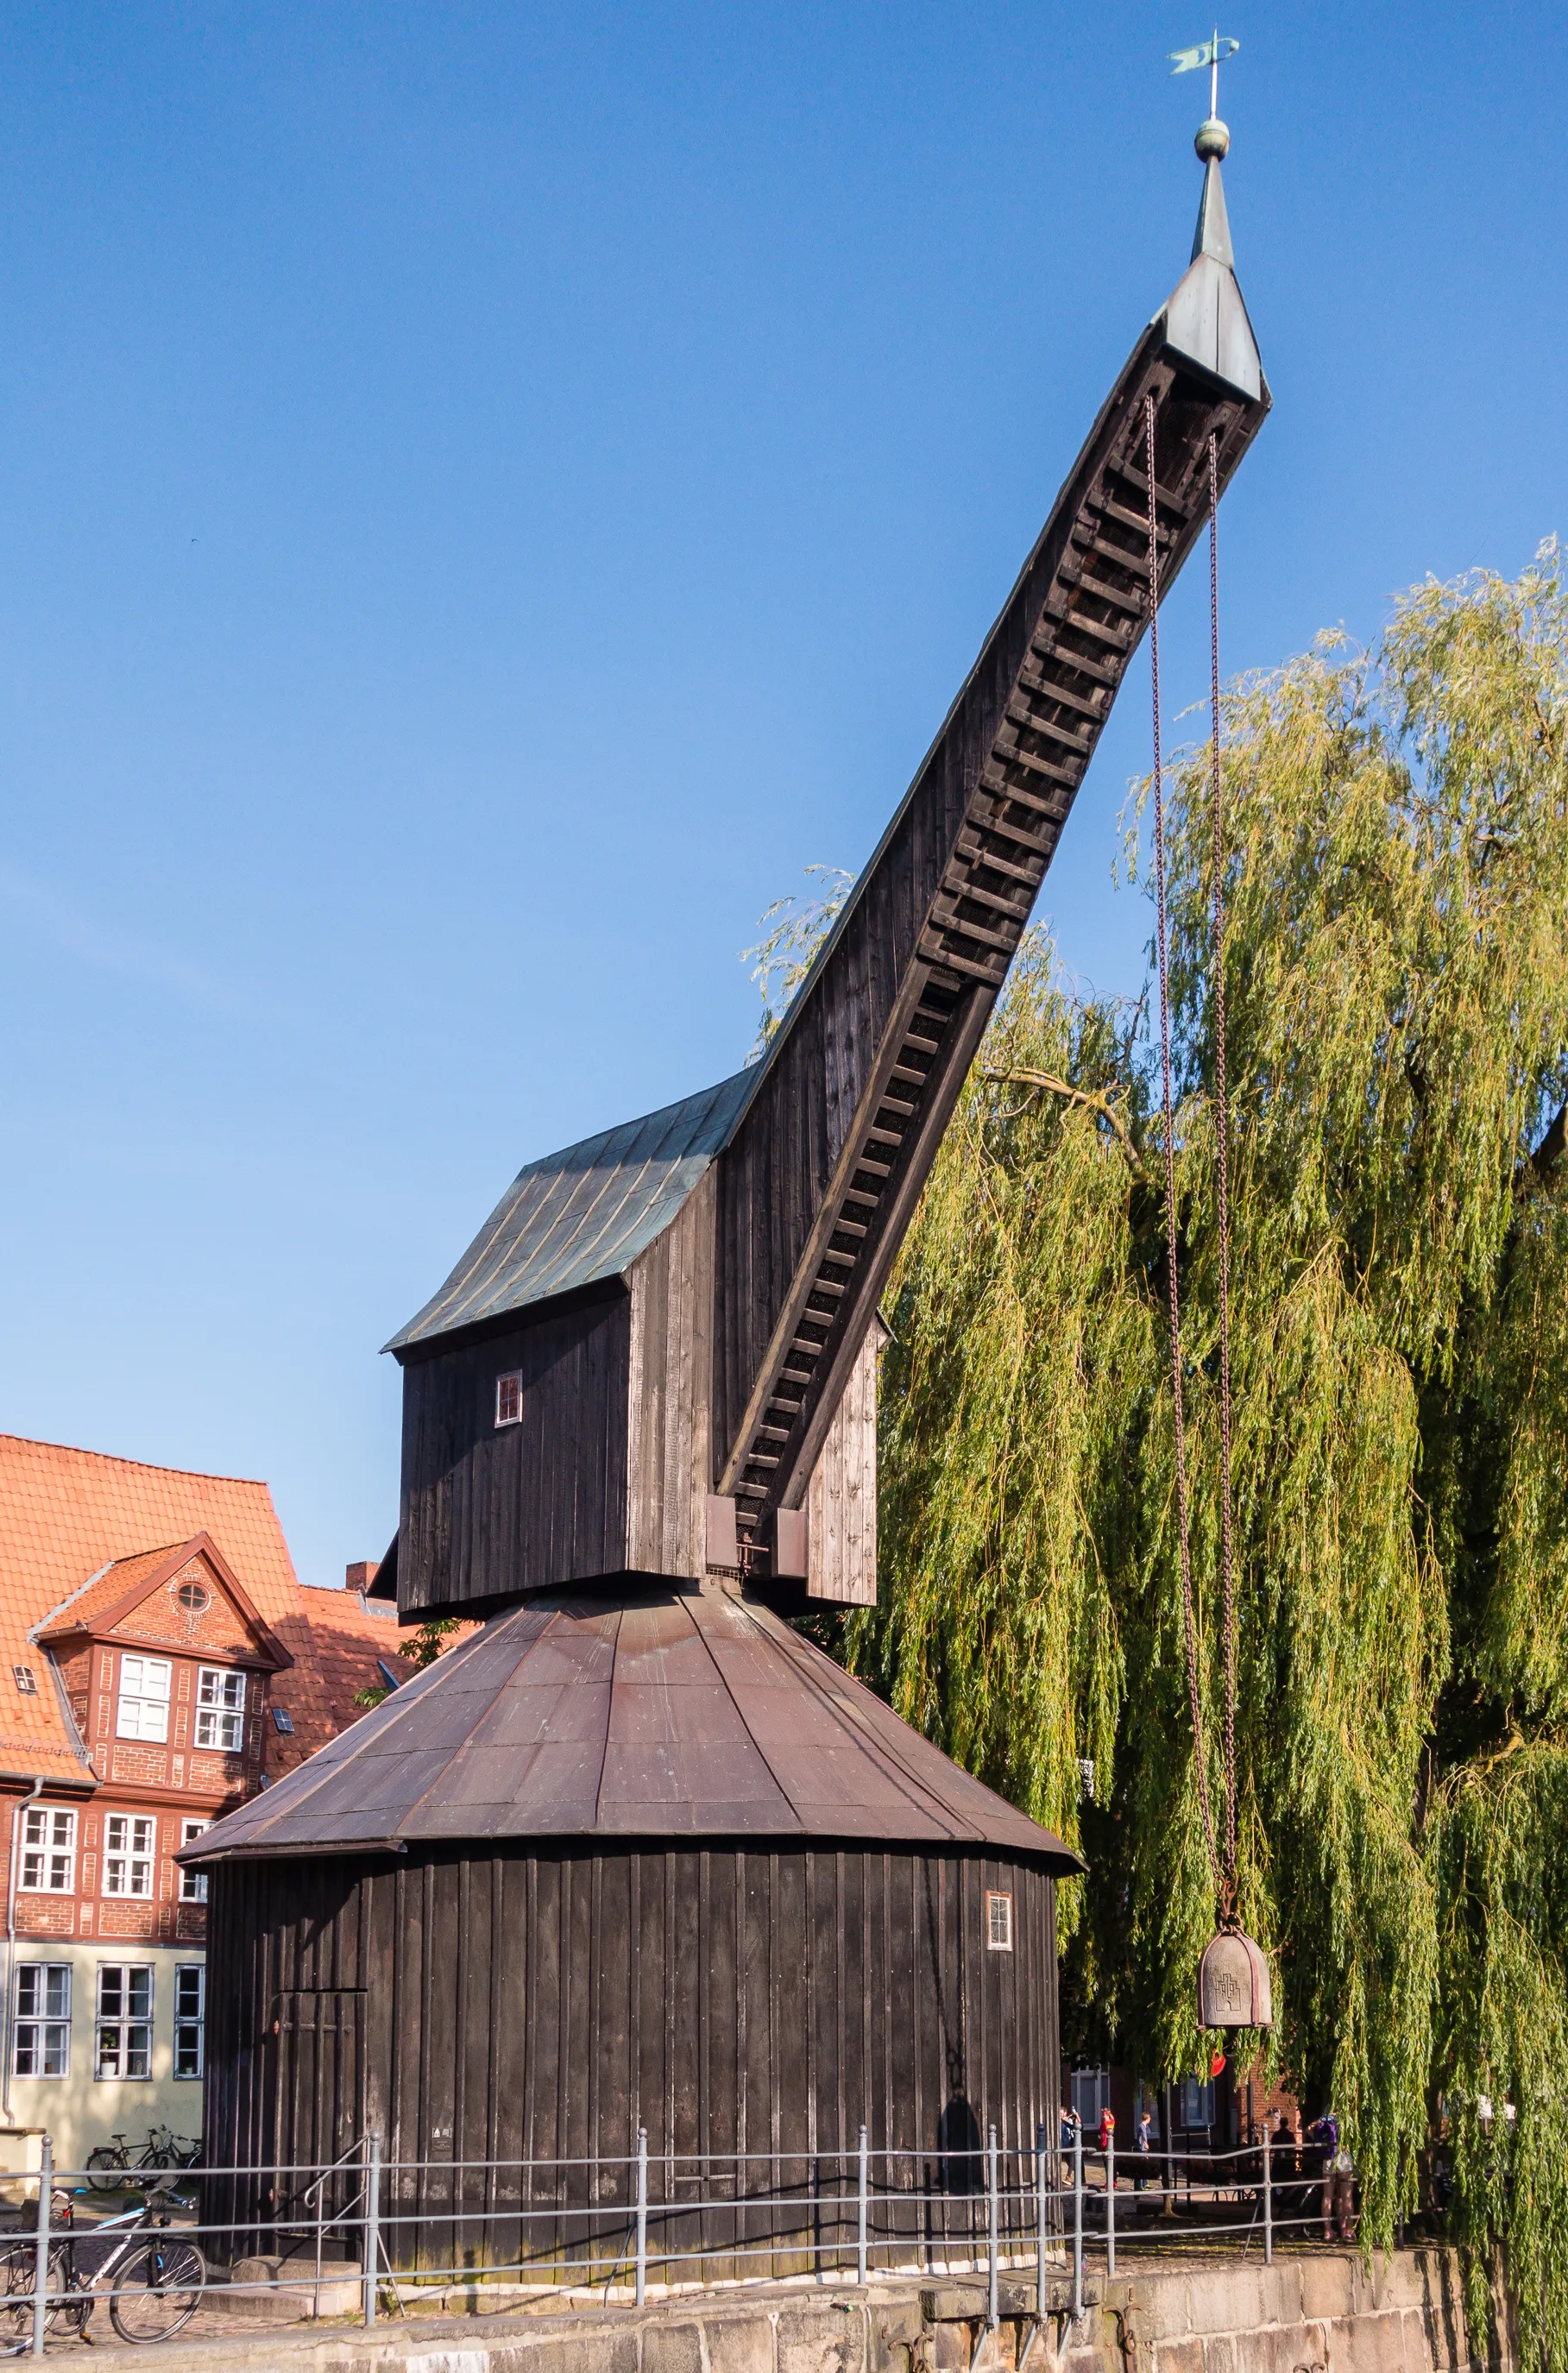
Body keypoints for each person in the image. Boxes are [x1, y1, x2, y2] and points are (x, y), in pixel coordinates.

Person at [1306, 2110, 1356, 2241]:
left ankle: (1328, 2231)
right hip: (1343, 2155)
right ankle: (1348, 2231)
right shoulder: (1347, 2117)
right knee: (1346, 2196)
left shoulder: (1324, 2118)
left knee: (1327, 2196)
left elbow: (1309, 2129)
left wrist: (1321, 2144)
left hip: (1328, 2157)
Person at [1134, 2105, 1154, 2192]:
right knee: (1143, 2166)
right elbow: (1142, 2135)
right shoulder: (1141, 2127)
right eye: (1150, 2118)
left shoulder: (1144, 2126)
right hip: (1142, 2149)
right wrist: (1145, 2143)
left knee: (1145, 2166)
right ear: (1148, 2118)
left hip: (1143, 2149)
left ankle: (1146, 2183)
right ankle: (1142, 2185)